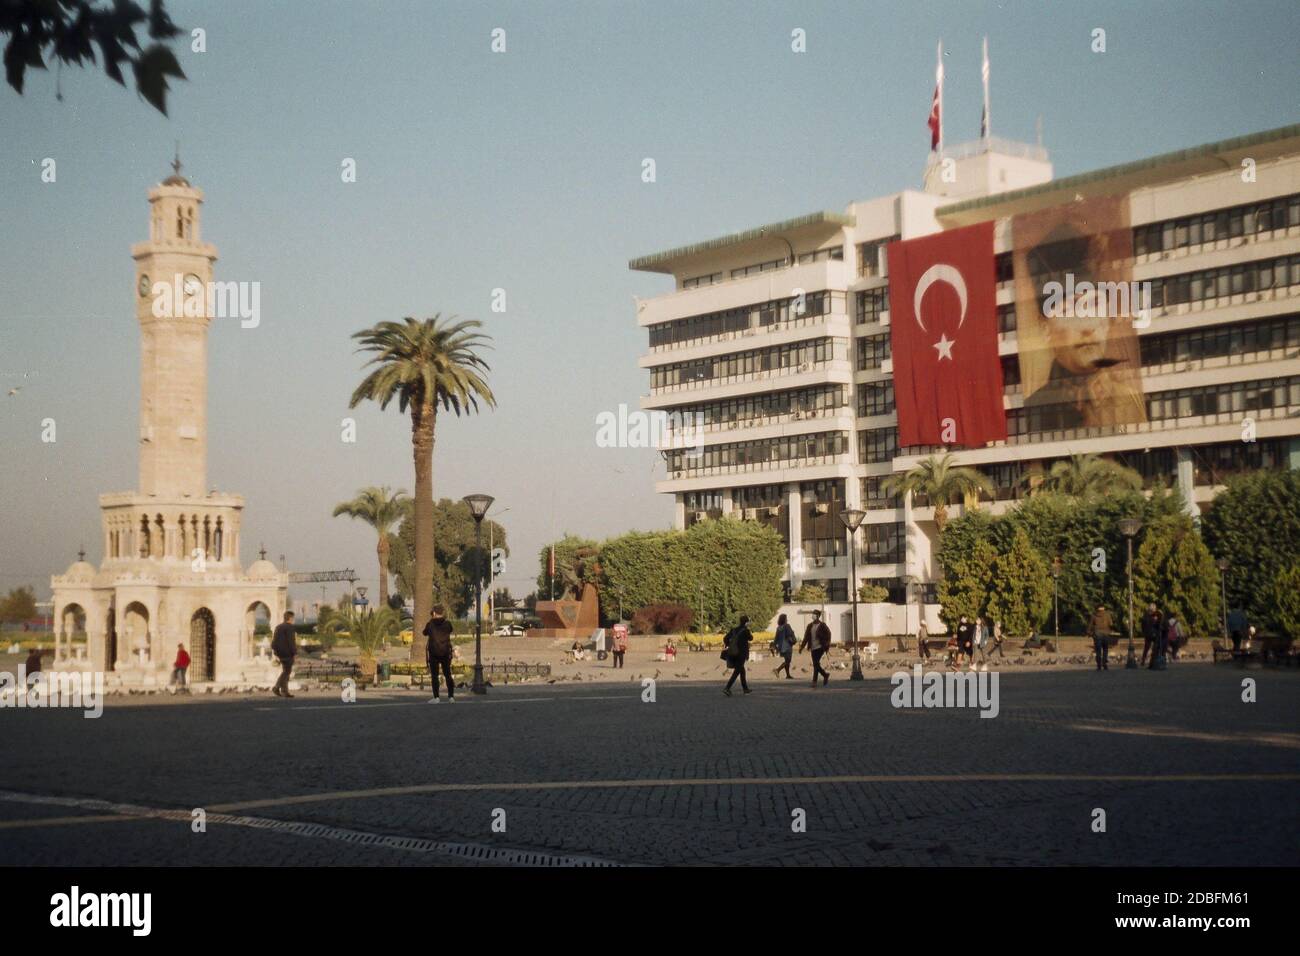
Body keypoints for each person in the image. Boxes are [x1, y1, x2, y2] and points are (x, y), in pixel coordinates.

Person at [424, 605, 455, 702]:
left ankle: (436, 697)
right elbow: (450, 630)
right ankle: (451, 696)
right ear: (442, 612)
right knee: (448, 674)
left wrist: (432, 620)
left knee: (434, 675)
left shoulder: (430, 624)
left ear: (433, 613)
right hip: (445, 652)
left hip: (434, 653)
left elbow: (424, 633)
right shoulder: (447, 624)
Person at [799, 609, 832, 686]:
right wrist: (802, 647)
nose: (813, 615)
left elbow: (828, 634)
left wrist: (827, 645)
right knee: (816, 664)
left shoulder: (822, 625)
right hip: (813, 647)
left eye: (814, 614)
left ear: (818, 616)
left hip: (820, 647)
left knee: (816, 663)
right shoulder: (810, 626)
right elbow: (806, 637)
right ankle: (825, 675)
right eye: (812, 614)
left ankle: (815, 682)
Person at [723, 615, 753, 696]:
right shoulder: (746, 630)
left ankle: (745, 689)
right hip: (741, 654)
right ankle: (727, 688)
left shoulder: (734, 630)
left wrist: (729, 645)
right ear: (746, 622)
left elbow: (725, 638)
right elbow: (751, 638)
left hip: (733, 652)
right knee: (737, 671)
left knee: (742, 670)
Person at [271, 611, 297, 698]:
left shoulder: (278, 627)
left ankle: (284, 691)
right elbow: (291, 642)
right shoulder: (290, 627)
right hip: (287, 653)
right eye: (293, 618)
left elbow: (274, 641)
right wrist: (294, 652)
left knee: (285, 671)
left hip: (280, 653)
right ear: (290, 618)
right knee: (287, 671)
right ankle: (277, 687)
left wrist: (275, 652)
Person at [1088, 604, 1114, 670]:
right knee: (1105, 649)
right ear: (1103, 608)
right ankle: (1104, 663)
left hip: (1097, 634)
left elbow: (1090, 625)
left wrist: (1089, 632)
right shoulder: (1107, 615)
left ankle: (1099, 665)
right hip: (1106, 633)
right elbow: (1111, 624)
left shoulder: (1094, 615)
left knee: (1098, 650)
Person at [772, 613, 796, 679]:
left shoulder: (778, 628)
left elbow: (776, 638)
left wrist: (775, 646)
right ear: (784, 619)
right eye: (786, 618)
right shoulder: (787, 626)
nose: (787, 620)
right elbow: (789, 634)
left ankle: (788, 675)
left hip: (781, 647)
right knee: (788, 660)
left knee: (786, 660)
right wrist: (793, 637)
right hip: (787, 645)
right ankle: (778, 670)